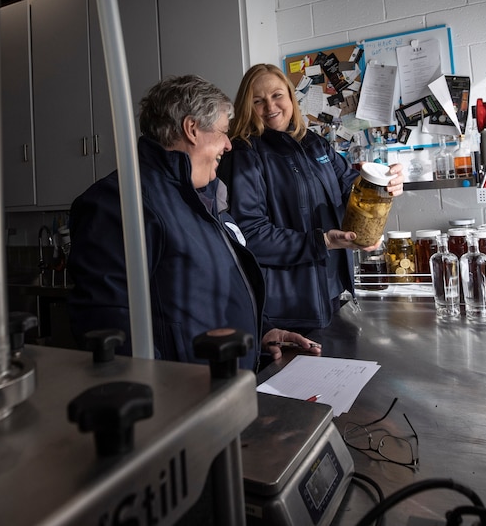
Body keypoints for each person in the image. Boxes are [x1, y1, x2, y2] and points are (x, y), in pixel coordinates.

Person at [66, 75, 321, 370]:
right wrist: (168, 394)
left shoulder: (202, 195)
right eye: (224, 132)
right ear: (192, 129)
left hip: (224, 383)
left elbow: (212, 286)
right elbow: (109, 326)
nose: (228, 145)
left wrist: (262, 331)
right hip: (185, 398)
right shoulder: (120, 202)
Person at [219, 63, 404, 333]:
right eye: (258, 100)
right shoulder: (245, 155)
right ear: (247, 107)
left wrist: (385, 180)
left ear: (291, 97)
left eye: (277, 95)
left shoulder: (313, 144)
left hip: (331, 293)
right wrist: (323, 241)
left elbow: (350, 187)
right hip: (285, 308)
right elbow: (250, 235)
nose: (270, 106)